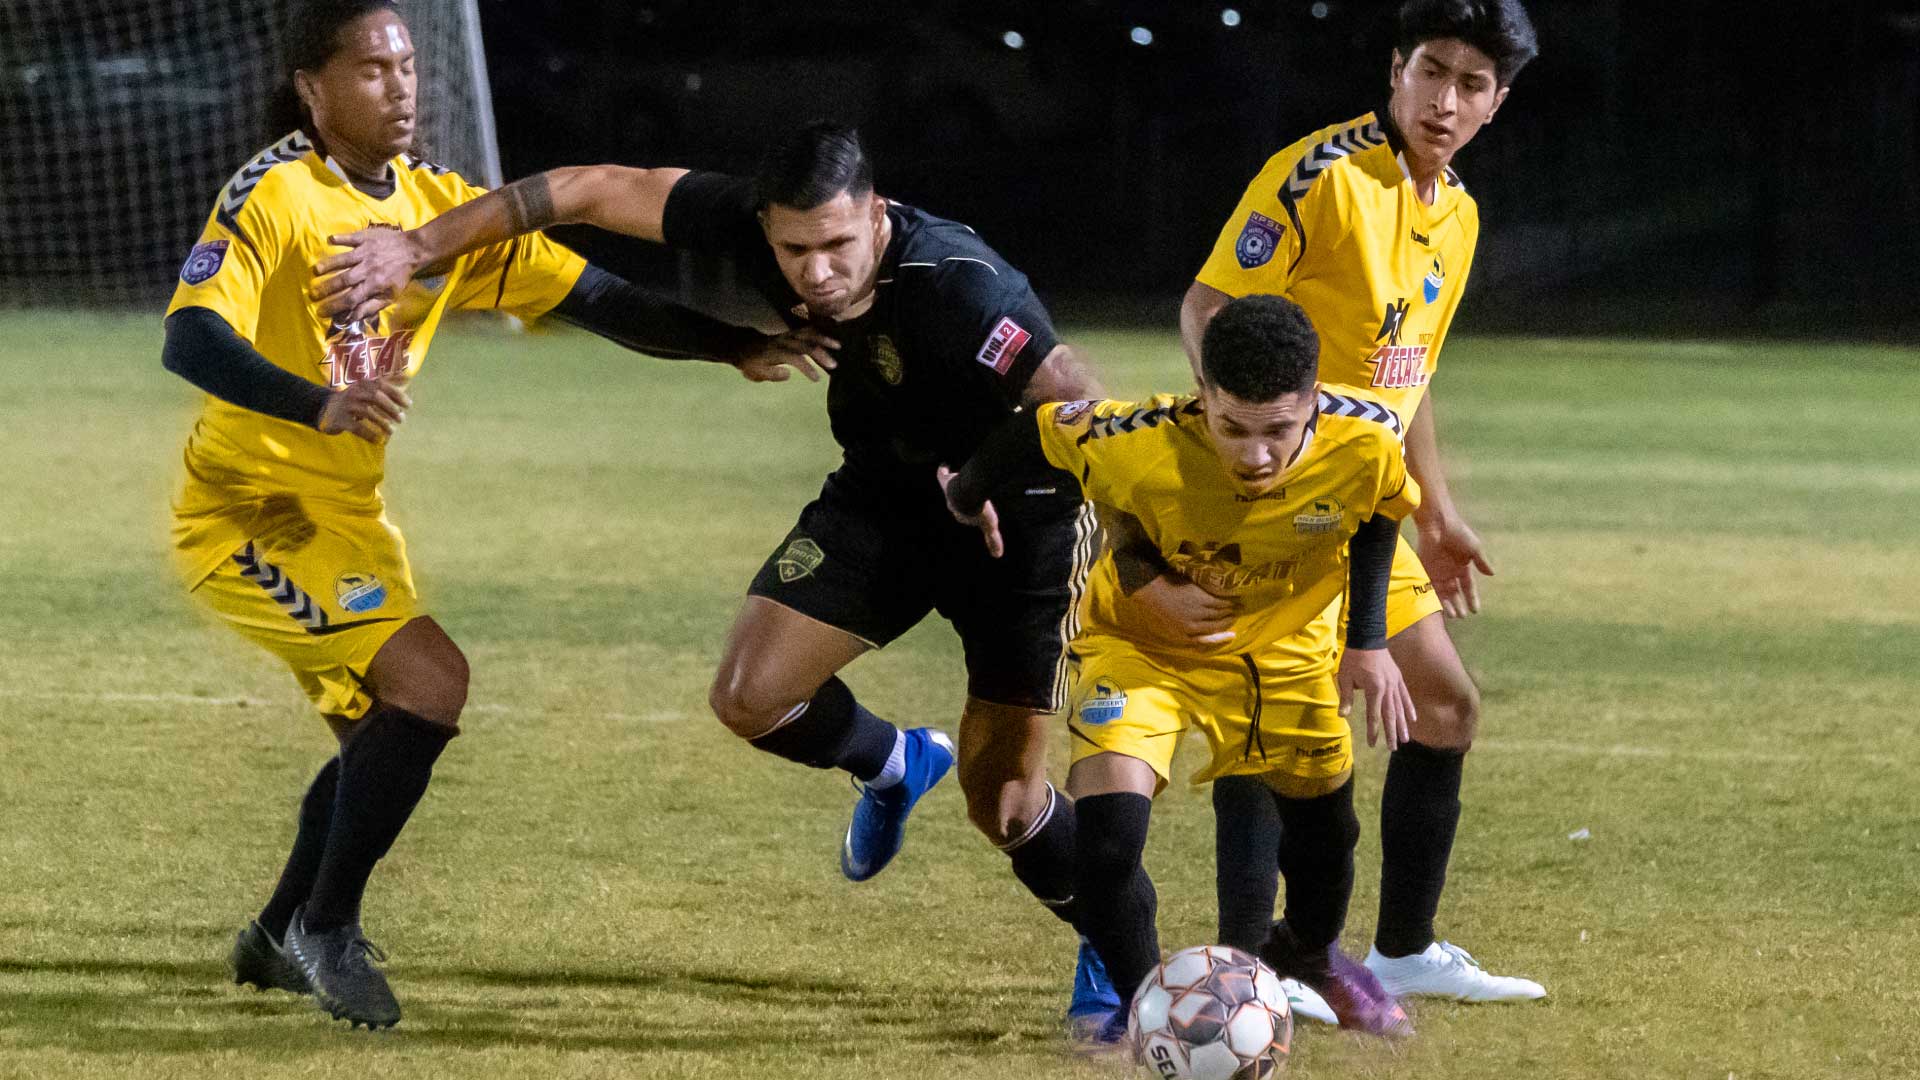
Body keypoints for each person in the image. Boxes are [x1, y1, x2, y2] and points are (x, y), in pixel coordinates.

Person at [308, 124, 1120, 1018]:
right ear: (765, 225)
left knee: (1004, 803)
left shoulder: (961, 285)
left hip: (1020, 534)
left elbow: (1079, 400)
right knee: (750, 695)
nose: (815, 272)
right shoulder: (740, 219)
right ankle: (894, 761)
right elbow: (584, 187)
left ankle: (1112, 940)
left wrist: (1004, 488)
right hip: (883, 502)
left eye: (839, 245)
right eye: (794, 249)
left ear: (877, 216)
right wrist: (415, 245)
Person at [162, 0, 824, 1029]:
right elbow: (190, 340)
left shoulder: (438, 208)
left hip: (346, 515)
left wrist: (730, 342)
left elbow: (594, 295)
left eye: (406, 66)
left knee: (381, 735)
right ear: (312, 87)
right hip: (251, 513)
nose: (402, 86)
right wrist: (319, 400)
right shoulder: (274, 195)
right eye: (373, 69)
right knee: (430, 684)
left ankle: (273, 934)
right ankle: (323, 931)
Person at [1165, 0, 1545, 1005]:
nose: (1446, 99)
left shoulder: (1456, 215)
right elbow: (1209, 306)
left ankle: (1403, 952)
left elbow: (1403, 379)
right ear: (1395, 70)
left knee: (1445, 708)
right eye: (1433, 71)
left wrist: (1437, 510)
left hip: (1367, 508)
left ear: (1496, 104)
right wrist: (1251, 435)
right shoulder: (1321, 175)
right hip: (1277, 501)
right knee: (1278, 719)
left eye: (1472, 84)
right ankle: (1250, 965)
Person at [941, 293, 1420, 1041]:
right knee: (1106, 844)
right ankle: (1145, 1012)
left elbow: (1383, 511)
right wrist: (968, 499)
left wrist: (1367, 640)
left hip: (1279, 655)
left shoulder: (1367, 440)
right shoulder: (1137, 437)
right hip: (1140, 650)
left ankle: (1309, 953)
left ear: (1314, 405)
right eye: (1232, 427)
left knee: (1326, 835)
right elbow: (1036, 431)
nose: (1255, 454)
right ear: (1204, 398)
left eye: (1278, 431)